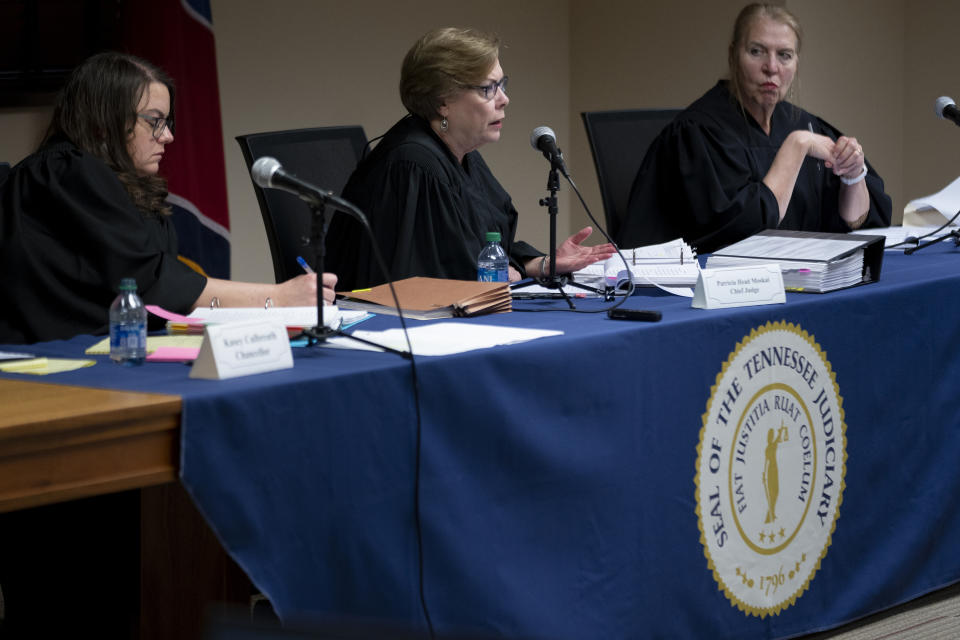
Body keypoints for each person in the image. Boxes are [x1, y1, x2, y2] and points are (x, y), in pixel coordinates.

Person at [0, 52, 337, 344]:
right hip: (49, 364)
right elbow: (149, 279)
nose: (170, 136)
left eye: (168, 122)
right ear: (105, 123)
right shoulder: (67, 172)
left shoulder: (121, 184)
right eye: (155, 122)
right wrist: (276, 298)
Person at [325, 27, 614, 291]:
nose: (504, 99)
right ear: (443, 102)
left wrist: (539, 264)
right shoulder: (413, 165)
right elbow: (418, 281)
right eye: (488, 89)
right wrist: (503, 275)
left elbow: (477, 247)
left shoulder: (460, 153)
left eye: (503, 85)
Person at [619, 3, 891, 254]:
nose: (771, 68)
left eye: (784, 55)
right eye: (756, 51)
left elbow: (857, 222)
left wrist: (852, 176)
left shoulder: (805, 124)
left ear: (796, 63)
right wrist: (795, 147)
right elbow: (743, 233)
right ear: (733, 54)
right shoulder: (700, 133)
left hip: (805, 281)